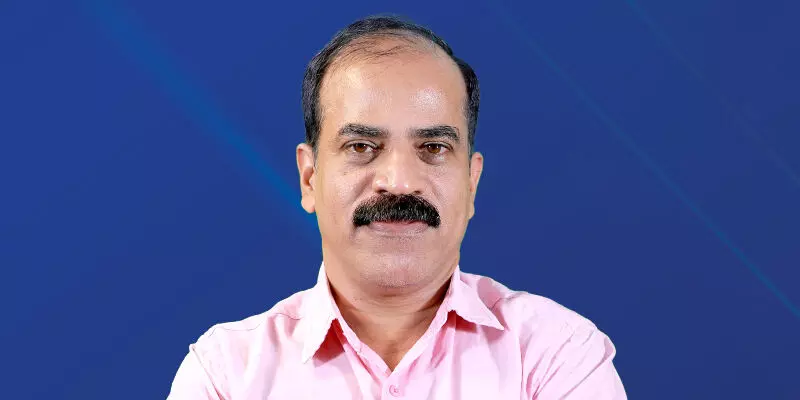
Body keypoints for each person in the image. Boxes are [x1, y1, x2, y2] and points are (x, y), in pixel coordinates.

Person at [167, 15, 627, 399]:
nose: (400, 181)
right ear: (309, 178)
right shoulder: (225, 375)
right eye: (362, 146)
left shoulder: (556, 355)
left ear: (471, 183)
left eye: (433, 148)